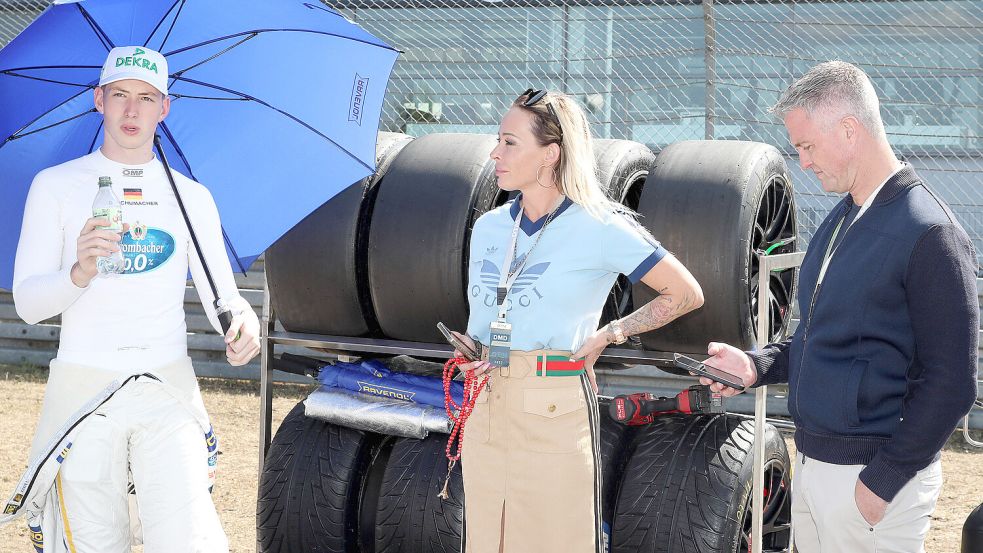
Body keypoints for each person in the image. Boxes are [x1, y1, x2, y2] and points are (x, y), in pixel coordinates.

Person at [700, 61, 979, 552]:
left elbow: (953, 381)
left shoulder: (931, 234)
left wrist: (881, 482)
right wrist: (754, 365)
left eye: (807, 146)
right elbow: (818, 335)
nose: (802, 162)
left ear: (850, 130)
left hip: (871, 488)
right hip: (814, 467)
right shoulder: (844, 216)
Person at [9, 46, 260, 552]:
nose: (131, 110)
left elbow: (222, 296)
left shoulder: (191, 196)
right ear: (98, 100)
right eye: (120, 95)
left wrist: (243, 324)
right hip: (83, 392)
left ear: (164, 108)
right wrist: (78, 271)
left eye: (146, 98)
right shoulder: (55, 186)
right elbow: (28, 305)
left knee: (187, 542)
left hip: (167, 388)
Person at [449, 89, 704, 553]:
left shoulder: (600, 226)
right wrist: (471, 346)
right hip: (485, 402)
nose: (494, 153)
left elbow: (685, 293)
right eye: (497, 141)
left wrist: (614, 331)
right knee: (486, 540)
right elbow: (484, 317)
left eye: (509, 142)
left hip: (554, 406)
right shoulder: (487, 228)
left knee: (557, 541)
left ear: (551, 154)